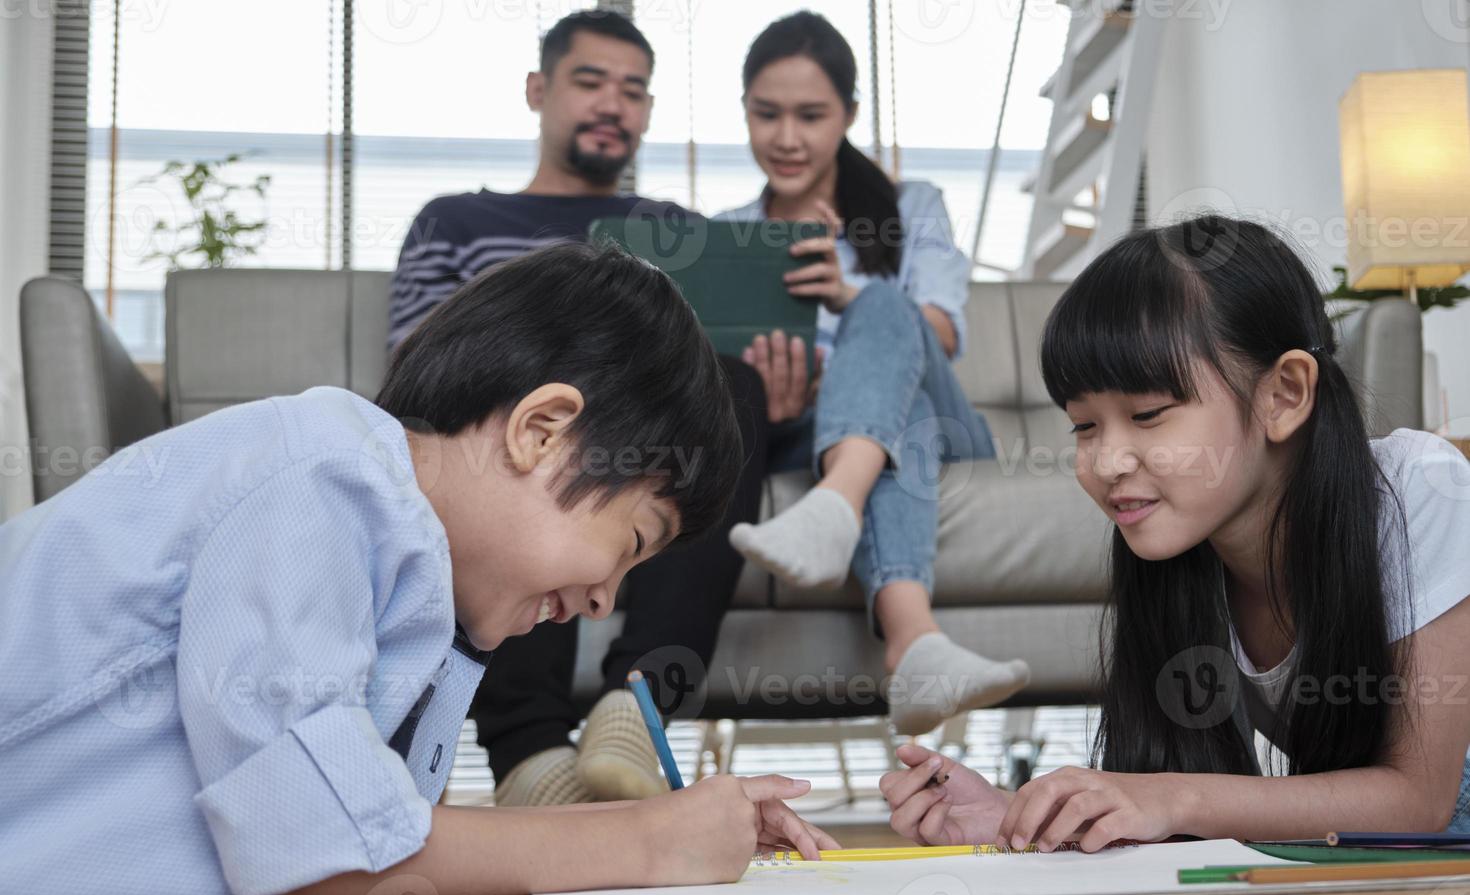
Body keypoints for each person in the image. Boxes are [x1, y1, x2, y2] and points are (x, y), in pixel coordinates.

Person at [0, 242, 838, 895]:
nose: (603, 602)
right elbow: (321, 855)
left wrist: (652, 821)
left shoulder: (418, 605)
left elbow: (381, 839)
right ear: (542, 432)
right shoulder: (320, 475)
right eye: (629, 544)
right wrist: (651, 842)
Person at [881, 216, 1470, 850]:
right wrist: (1021, 815)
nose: (1107, 463)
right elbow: (1209, 805)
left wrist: (1168, 794)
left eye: (1148, 415)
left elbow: (1418, 799)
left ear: (1284, 394)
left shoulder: (1415, 486)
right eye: (1084, 427)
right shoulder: (1181, 554)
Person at [390, 10, 772, 807]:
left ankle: (636, 709)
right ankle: (529, 751)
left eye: (633, 91)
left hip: (654, 443)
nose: (613, 104)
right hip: (523, 424)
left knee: (732, 387)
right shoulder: (456, 221)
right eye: (590, 81)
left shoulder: (678, 232)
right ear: (539, 90)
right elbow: (425, 375)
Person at [717, 12, 1030, 735]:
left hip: (946, 421)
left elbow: (940, 335)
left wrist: (847, 297)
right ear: (745, 113)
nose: (787, 137)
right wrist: (770, 389)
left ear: (849, 116)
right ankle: (916, 646)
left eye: (811, 115)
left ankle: (834, 506)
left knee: (889, 311)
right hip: (809, 431)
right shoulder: (730, 230)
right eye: (767, 115)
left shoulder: (910, 207)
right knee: (899, 427)